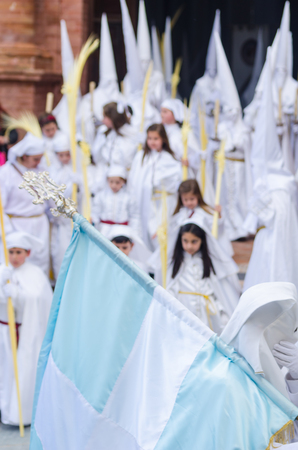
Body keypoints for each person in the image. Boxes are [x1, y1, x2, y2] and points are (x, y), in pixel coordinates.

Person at [221, 282, 298, 441]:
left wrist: (296, 378)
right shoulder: (226, 380)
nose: (293, 338)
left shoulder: (281, 368)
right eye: (290, 330)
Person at [0, 231, 52, 426]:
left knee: (21, 371)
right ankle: (5, 409)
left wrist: (17, 294)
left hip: (25, 332)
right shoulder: (3, 270)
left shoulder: (35, 274)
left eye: (18, 252)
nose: (14, 257)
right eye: (11, 252)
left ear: (27, 253)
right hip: (4, 331)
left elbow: (37, 299)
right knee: (5, 372)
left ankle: (21, 412)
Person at [167, 221, 235, 333]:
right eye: (185, 241)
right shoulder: (177, 263)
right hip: (184, 307)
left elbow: (217, 289)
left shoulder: (207, 262)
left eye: (194, 242)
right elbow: (171, 286)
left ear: (202, 241)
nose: (189, 246)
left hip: (206, 310)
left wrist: (221, 312)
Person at [0, 133, 50, 274]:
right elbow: (0, 207)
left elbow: (50, 199)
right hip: (17, 226)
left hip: (40, 224)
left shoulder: (41, 171)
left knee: (41, 264)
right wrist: (9, 233)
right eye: (35, 159)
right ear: (24, 156)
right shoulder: (6, 174)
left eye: (40, 159)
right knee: (18, 267)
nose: (38, 162)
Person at [128, 123, 181, 250]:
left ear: (163, 139)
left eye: (156, 139)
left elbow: (175, 180)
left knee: (158, 232)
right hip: (144, 201)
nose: (152, 142)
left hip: (161, 202)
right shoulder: (141, 156)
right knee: (143, 230)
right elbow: (134, 177)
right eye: (149, 138)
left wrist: (157, 182)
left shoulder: (169, 159)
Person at [49, 133, 82, 280]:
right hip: (60, 221)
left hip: (75, 218)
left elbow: (85, 195)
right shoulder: (52, 171)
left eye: (67, 155)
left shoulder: (78, 169)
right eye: (61, 155)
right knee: (60, 254)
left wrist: (79, 185)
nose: (64, 159)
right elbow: (53, 196)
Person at [172, 179, 233, 256]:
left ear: (198, 196)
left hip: (203, 250)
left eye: (192, 199)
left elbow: (217, 228)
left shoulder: (205, 212)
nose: (189, 203)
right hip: (185, 251)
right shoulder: (181, 213)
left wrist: (219, 215)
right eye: (186, 200)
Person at [91, 102, 137, 179]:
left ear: (114, 117)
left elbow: (127, 159)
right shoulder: (104, 132)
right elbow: (97, 155)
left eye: (105, 117)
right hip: (106, 175)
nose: (103, 120)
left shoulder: (130, 135)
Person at [92, 165, 140, 236]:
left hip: (122, 231)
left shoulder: (129, 197)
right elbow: (95, 213)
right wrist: (93, 222)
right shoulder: (101, 196)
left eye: (117, 182)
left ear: (123, 182)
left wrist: (134, 232)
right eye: (111, 182)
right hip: (104, 231)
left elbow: (134, 216)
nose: (114, 185)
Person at [160, 99, 201, 179]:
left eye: (165, 112)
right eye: (161, 111)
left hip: (178, 173)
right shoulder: (160, 131)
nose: (161, 114)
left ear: (175, 114)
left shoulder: (183, 134)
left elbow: (194, 154)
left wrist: (189, 161)